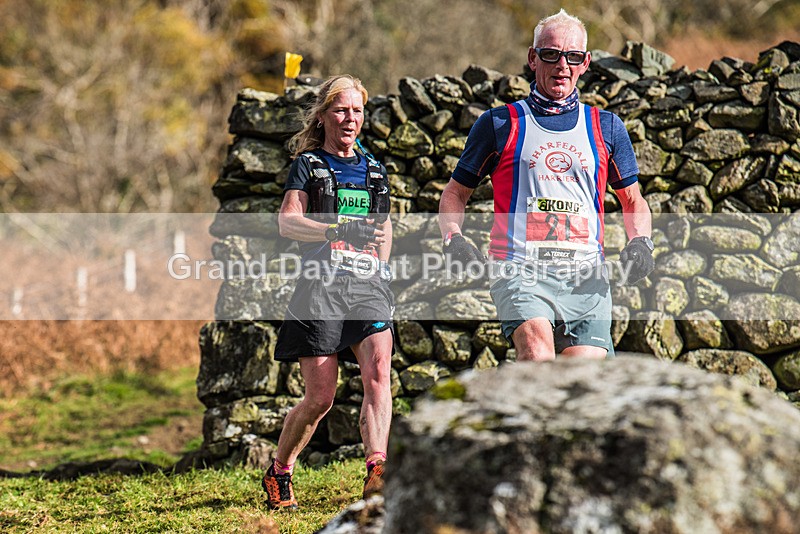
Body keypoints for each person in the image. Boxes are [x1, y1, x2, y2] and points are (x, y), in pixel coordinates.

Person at [438, 9, 653, 362]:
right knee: (537, 355)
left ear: (585, 63)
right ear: (533, 58)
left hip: (586, 276)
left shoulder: (607, 127)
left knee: (583, 379)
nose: (562, 65)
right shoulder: (499, 123)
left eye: (573, 57)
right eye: (551, 54)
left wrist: (641, 242)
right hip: (520, 268)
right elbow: (455, 193)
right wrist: (453, 238)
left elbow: (633, 201)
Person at [262, 75, 394, 510]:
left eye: (357, 110)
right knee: (320, 398)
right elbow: (287, 222)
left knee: (378, 373)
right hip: (320, 287)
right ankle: (280, 470)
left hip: (367, 287)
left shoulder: (374, 169)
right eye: (341, 110)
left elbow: (384, 227)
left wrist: (382, 268)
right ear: (322, 117)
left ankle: (377, 469)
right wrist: (336, 229)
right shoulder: (308, 165)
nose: (350, 118)